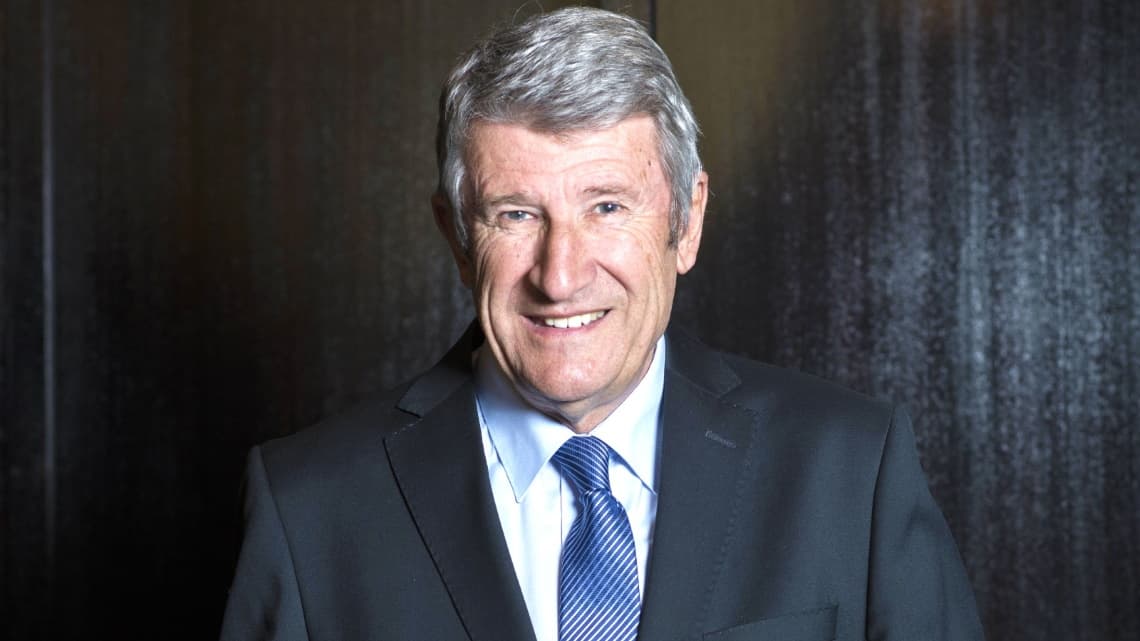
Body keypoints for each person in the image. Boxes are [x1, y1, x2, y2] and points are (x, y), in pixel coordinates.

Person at [220, 7, 985, 641]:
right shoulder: (310, 509)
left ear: (686, 222)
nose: (560, 276)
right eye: (516, 215)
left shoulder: (852, 472)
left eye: (607, 206)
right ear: (457, 238)